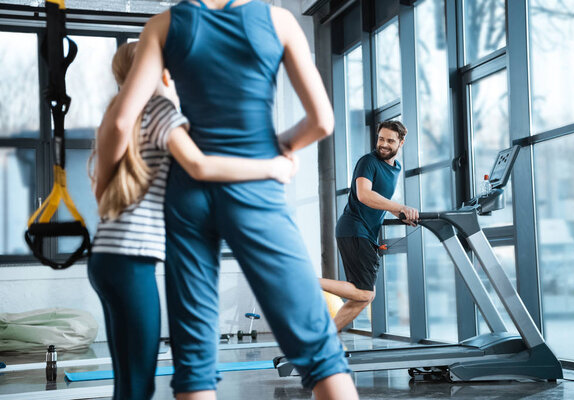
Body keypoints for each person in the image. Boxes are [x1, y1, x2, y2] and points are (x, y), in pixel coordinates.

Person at [95, 1, 358, 400]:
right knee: (320, 353)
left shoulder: (164, 25)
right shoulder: (279, 20)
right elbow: (322, 121)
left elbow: (119, 120)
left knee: (195, 360)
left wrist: (105, 187)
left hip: (187, 198)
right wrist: (279, 148)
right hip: (254, 188)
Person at [88, 41, 298, 400]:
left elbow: (101, 194)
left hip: (106, 260)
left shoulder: (119, 115)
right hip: (131, 262)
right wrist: (271, 167)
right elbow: (200, 165)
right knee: (138, 382)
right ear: (159, 70)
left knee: (128, 380)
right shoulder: (159, 109)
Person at [320, 120, 419, 332]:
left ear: (401, 143)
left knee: (361, 298)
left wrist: (399, 213)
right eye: (381, 138)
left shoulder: (396, 168)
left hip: (364, 232)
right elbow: (365, 195)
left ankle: (322, 339)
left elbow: (380, 200)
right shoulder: (368, 162)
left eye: (390, 141)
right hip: (355, 229)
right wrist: (400, 206)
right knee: (365, 293)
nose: (383, 144)